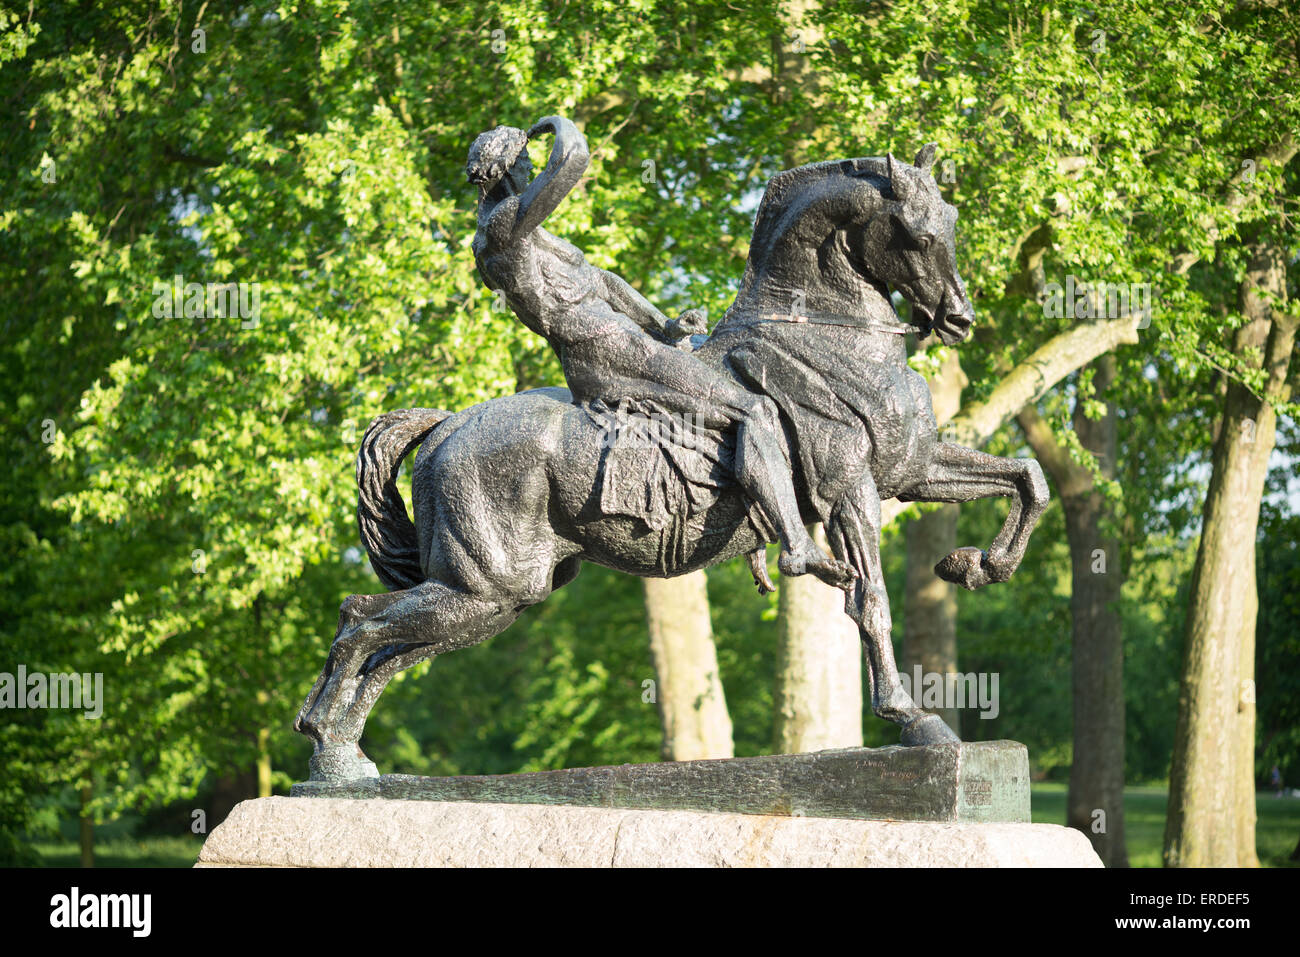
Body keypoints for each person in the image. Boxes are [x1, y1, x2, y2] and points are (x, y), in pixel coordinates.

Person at [466, 116, 854, 590]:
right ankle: (797, 544)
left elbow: (603, 283)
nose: (530, 169)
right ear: (508, 170)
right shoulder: (504, 226)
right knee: (749, 409)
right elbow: (572, 159)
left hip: (623, 340)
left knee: (726, 386)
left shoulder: (525, 232)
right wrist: (552, 123)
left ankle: (757, 519)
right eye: (524, 161)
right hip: (603, 352)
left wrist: (663, 325)